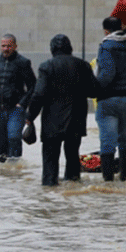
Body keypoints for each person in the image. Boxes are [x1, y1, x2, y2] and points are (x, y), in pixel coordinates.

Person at [24, 35, 100, 186]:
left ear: (52, 49)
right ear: (70, 48)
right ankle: (73, 188)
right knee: (72, 157)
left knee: (50, 161)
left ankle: (50, 190)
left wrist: (30, 116)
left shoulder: (46, 66)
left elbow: (39, 95)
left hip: (52, 122)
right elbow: (94, 91)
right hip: (76, 120)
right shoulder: (83, 65)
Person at [96, 15, 126, 181]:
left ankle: (108, 181)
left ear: (106, 31)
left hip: (109, 99)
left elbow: (107, 74)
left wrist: (95, 88)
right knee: (125, 138)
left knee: (108, 141)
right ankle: (125, 176)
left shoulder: (106, 46)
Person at [0, 33, 37, 162]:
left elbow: (33, 86)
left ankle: (15, 166)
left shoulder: (23, 62)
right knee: (0, 142)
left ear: (15, 46)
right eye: (3, 46)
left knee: (14, 137)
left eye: (9, 46)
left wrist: (22, 104)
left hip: (15, 109)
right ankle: (3, 168)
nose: (6, 49)